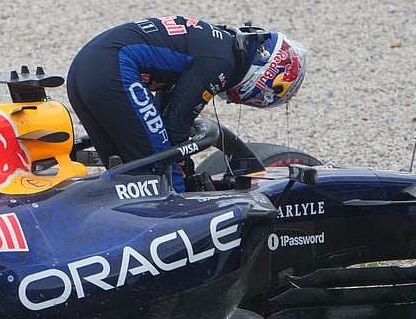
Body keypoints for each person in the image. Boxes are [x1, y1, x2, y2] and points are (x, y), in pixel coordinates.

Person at [65, 16, 306, 191]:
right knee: (161, 170)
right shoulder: (220, 62)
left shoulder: (216, 43)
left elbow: (164, 109)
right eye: (262, 95)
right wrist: (185, 177)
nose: (255, 99)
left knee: (124, 172)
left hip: (83, 69)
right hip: (112, 67)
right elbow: (176, 125)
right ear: (265, 73)